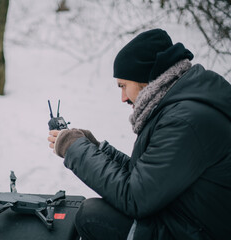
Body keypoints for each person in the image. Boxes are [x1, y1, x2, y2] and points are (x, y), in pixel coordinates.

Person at [47, 29, 231, 240]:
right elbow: (147, 179)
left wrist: (75, 149)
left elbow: (136, 197)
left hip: (199, 232)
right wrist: (97, 149)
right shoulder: (181, 106)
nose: (123, 98)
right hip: (187, 218)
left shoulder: (185, 120)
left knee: (92, 215)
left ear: (145, 79)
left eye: (123, 86)